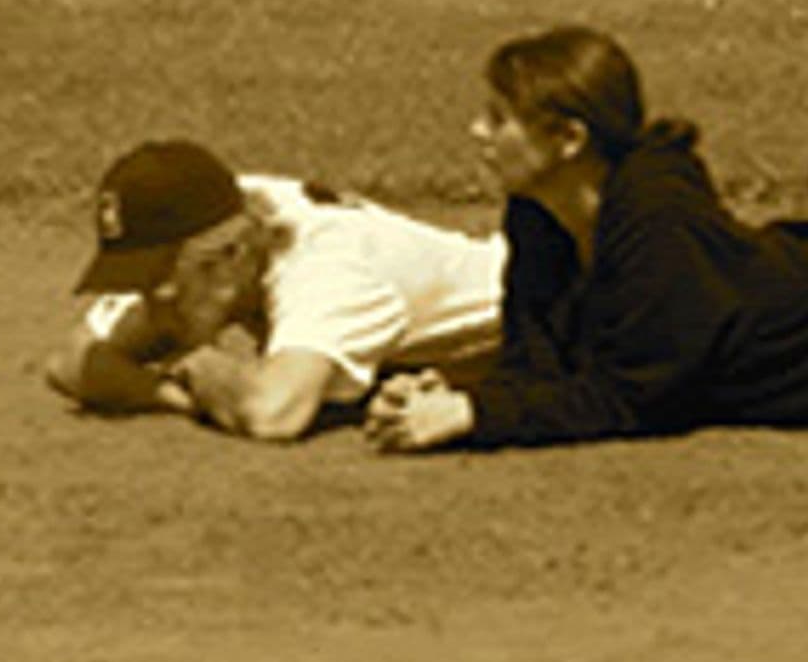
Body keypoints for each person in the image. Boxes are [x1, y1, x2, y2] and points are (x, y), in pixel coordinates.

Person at [366, 24, 808, 453]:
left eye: (499, 118)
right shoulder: (537, 210)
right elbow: (537, 364)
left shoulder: (660, 218)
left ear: (568, 138)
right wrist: (448, 391)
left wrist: (475, 414)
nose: (477, 130)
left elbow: (638, 396)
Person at [45, 138, 507, 441]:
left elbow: (274, 413)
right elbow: (72, 362)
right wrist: (173, 393)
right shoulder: (215, 216)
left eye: (162, 282)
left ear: (230, 256)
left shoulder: (327, 265)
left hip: (527, 323)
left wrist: (199, 364)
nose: (154, 302)